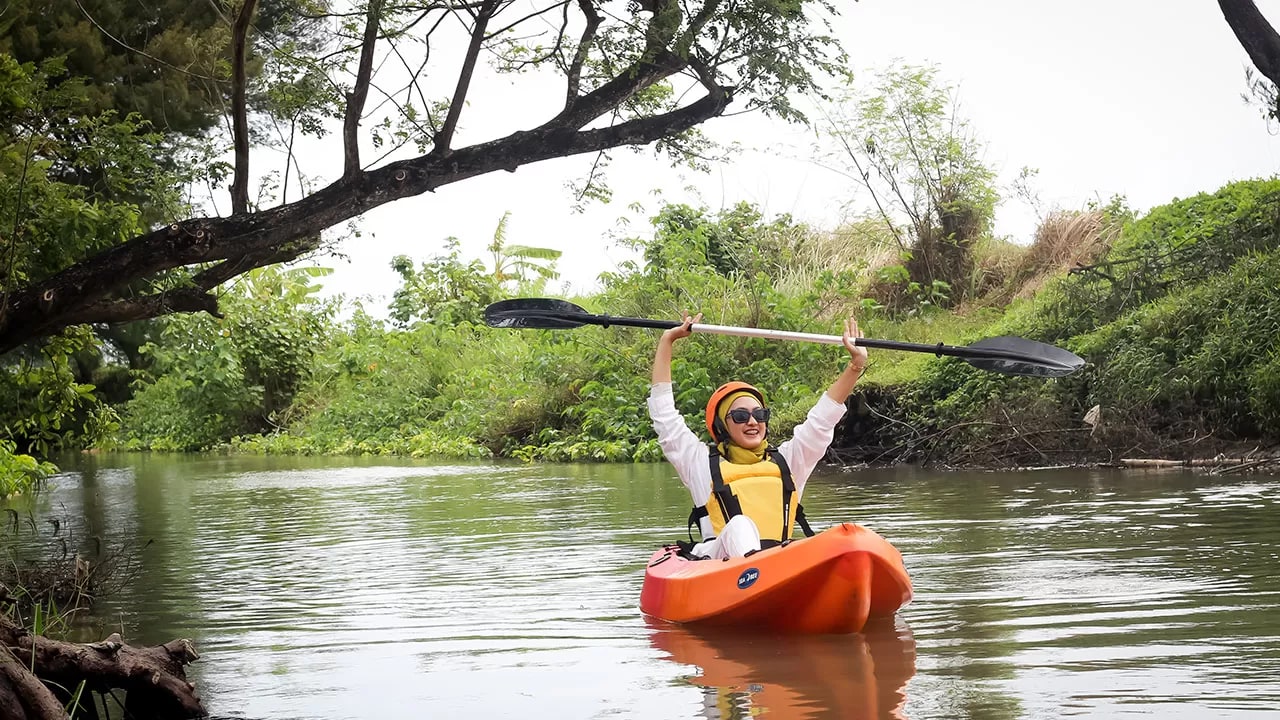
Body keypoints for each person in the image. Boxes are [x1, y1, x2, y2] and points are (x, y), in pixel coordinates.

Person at [648, 311, 869, 560]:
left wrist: (855, 366)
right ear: (722, 427)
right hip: (720, 564)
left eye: (759, 414)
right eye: (740, 416)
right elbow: (665, 417)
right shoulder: (699, 463)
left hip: (777, 565)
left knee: (848, 536)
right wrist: (667, 341)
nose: (752, 422)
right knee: (740, 525)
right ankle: (754, 571)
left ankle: (769, 574)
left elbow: (822, 420)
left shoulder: (788, 461)